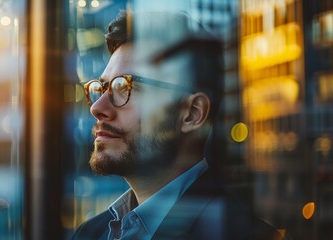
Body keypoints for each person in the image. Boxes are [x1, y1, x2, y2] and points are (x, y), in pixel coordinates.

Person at [72, 10, 284, 240]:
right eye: (101, 89)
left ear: (192, 114)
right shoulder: (89, 234)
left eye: (125, 88)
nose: (97, 108)